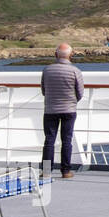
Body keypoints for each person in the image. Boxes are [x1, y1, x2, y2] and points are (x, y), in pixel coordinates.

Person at [40, 43, 84, 179]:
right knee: (66, 140)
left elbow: (43, 90)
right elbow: (80, 93)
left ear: (55, 55)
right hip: (69, 110)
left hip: (50, 110)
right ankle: (65, 171)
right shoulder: (75, 71)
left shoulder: (47, 70)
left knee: (49, 141)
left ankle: (46, 171)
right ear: (71, 55)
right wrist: (71, 101)